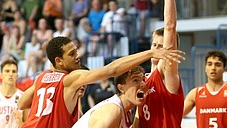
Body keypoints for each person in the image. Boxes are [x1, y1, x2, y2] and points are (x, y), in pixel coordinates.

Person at [18, 36, 185, 128]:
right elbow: (111, 70)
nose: (77, 56)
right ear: (59, 61)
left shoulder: (41, 78)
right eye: (71, 54)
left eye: (76, 50)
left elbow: (23, 104)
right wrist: (150, 53)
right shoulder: (70, 79)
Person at [133, 0, 184, 127]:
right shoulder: (143, 79)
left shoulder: (167, 75)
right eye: (154, 45)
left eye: (161, 46)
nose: (157, 49)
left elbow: (170, 26)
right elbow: (138, 118)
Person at [73, 66, 146, 127]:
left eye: (143, 79)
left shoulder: (126, 111)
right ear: (121, 88)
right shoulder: (113, 110)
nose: (143, 84)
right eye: (135, 80)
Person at [183, 50, 227, 128]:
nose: (213, 68)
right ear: (205, 68)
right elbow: (176, 115)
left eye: (217, 65)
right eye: (209, 64)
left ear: (224, 69)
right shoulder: (195, 93)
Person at [0, 59, 28, 128]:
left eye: (13, 71)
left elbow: (27, 126)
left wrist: (20, 122)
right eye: (7, 71)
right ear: (1, 75)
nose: (11, 74)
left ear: (17, 76)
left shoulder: (23, 97)